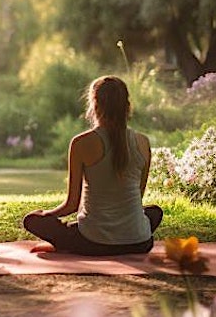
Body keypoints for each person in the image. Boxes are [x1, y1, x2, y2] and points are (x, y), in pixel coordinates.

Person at [23, 75, 163, 256]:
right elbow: (138, 196)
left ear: (94, 105)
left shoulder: (81, 143)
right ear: (127, 106)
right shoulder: (142, 142)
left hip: (93, 243)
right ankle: (121, 236)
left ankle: (65, 244)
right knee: (154, 212)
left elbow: (72, 205)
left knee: (32, 220)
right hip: (140, 242)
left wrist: (46, 214)